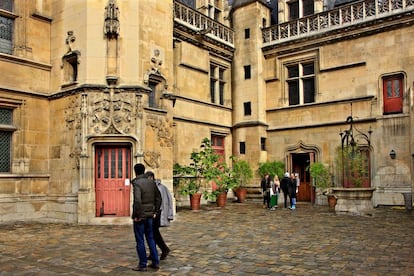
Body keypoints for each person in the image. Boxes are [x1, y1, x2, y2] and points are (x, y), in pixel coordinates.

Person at [131, 163, 162, 272]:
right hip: (150, 215)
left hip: (141, 217)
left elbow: (137, 201)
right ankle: (155, 262)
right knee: (150, 238)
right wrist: (155, 212)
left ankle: (143, 264)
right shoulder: (151, 182)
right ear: (144, 171)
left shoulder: (137, 183)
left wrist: (137, 215)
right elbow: (159, 198)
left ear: (135, 171)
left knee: (140, 240)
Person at [145, 171, 173, 260]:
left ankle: (163, 249)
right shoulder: (151, 187)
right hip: (152, 213)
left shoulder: (160, 188)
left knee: (153, 233)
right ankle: (157, 251)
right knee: (153, 233)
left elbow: (166, 201)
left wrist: (169, 214)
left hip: (156, 213)